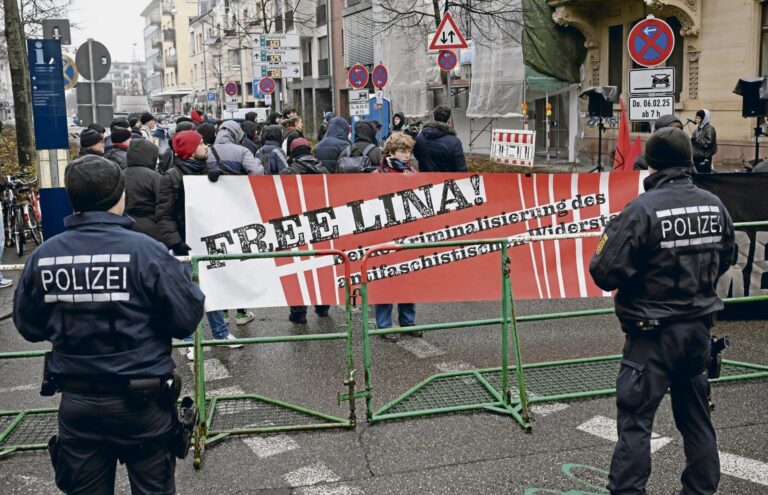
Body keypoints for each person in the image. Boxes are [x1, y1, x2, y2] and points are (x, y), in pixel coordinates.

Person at [13, 155, 206, 494]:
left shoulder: (45, 256)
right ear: (122, 196)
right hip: (144, 405)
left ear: (73, 198)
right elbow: (186, 318)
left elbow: (29, 326)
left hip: (78, 404)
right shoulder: (148, 252)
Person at [588, 127, 735, 495]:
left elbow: (604, 272)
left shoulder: (641, 209)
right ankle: (701, 490)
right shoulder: (713, 204)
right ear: (688, 161)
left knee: (636, 424)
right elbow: (727, 257)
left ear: (650, 164)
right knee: (697, 420)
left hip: (651, 335)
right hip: (699, 332)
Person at [156, 130, 245, 360]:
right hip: (184, 246)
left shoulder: (207, 170)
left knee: (213, 289)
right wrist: (176, 242)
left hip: (209, 242)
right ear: (190, 150)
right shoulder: (171, 177)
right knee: (188, 295)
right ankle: (189, 340)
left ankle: (220, 333)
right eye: (201, 144)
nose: (205, 146)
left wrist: (218, 179)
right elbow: (164, 216)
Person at [373, 133, 419, 340]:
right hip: (385, 235)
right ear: (391, 152)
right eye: (402, 151)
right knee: (385, 279)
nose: (406, 155)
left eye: (408, 151)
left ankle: (407, 321)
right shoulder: (378, 174)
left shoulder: (412, 172)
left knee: (408, 278)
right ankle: (384, 325)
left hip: (408, 233)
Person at [280, 138, 331, 323]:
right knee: (322, 265)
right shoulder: (323, 170)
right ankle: (323, 306)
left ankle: (298, 312)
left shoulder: (287, 173)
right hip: (320, 224)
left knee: (297, 269)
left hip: (295, 225)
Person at [125, 139, 163, 242]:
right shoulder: (155, 177)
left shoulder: (120, 174)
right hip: (151, 229)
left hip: (124, 225)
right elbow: (164, 204)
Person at [413, 105, 467, 172]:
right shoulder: (455, 142)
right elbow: (461, 169)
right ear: (449, 119)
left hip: (425, 179)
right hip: (446, 181)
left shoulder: (420, 137)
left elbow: (417, 156)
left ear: (434, 118)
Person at [691, 109, 717, 174]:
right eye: (696, 118)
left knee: (704, 175)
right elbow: (694, 138)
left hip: (704, 158)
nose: (696, 120)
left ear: (704, 119)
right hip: (696, 157)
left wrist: (697, 140)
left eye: (699, 118)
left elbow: (708, 143)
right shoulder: (698, 128)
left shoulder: (709, 128)